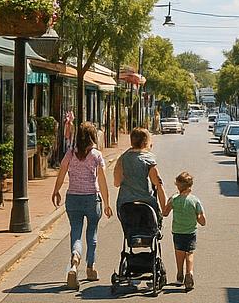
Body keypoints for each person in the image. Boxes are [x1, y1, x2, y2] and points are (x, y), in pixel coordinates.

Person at [52, 121, 112, 289]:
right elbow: (103, 181)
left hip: (73, 198)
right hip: (92, 198)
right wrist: (107, 203)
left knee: (76, 232)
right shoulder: (96, 155)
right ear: (93, 137)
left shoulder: (70, 154)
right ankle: (91, 267)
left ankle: (74, 259)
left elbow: (62, 172)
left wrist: (56, 191)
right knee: (92, 231)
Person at [162, 171, 206, 290]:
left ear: (177, 185)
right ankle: (190, 273)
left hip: (177, 231)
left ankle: (180, 275)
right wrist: (198, 218)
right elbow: (202, 220)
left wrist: (167, 203)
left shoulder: (174, 199)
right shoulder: (195, 200)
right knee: (189, 253)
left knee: (179, 252)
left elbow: (165, 213)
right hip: (191, 232)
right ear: (190, 186)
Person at [113, 126, 167, 219]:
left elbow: (117, 183)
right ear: (145, 142)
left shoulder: (122, 159)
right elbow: (158, 184)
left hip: (124, 204)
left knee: (129, 232)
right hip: (146, 204)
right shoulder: (148, 159)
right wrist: (164, 208)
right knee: (151, 231)